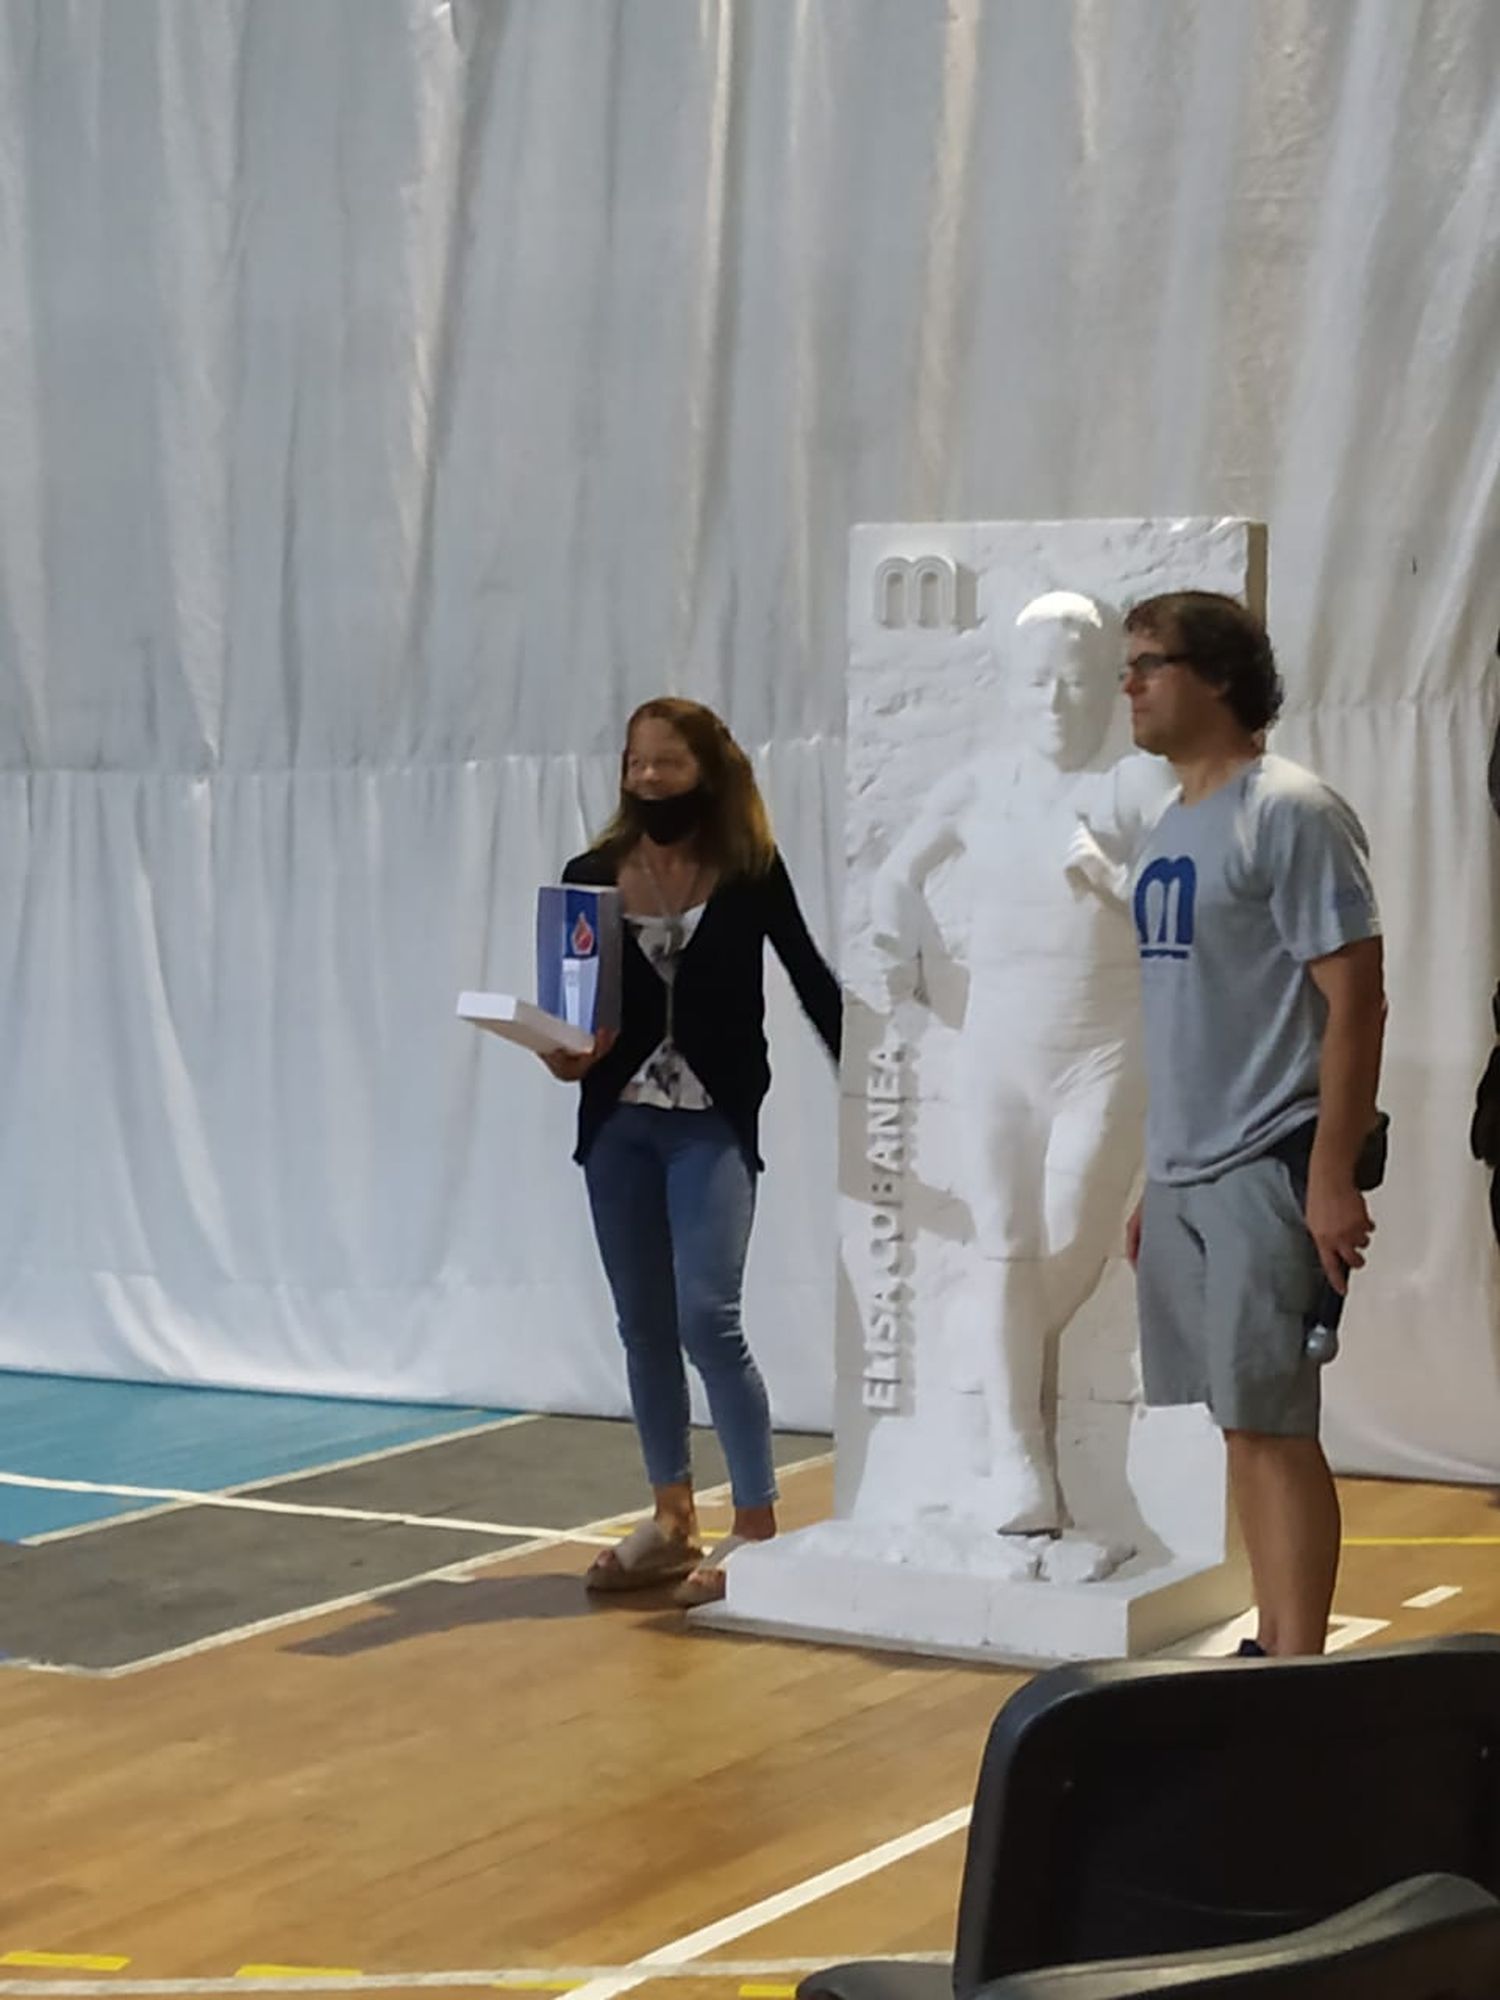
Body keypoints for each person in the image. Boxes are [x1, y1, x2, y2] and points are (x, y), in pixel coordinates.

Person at [868, 592, 1174, 1535]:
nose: (1055, 701)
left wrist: (1114, 880)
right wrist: (901, 936)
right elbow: (896, 871)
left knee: (1074, 1235)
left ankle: (987, 1353)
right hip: (998, 1047)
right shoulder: (979, 785)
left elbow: (1191, 919)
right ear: (1009, 689)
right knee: (1004, 1240)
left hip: (1102, 1051)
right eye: (1038, 681)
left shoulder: (1136, 790)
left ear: (1111, 691)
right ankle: (1017, 1459)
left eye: (1076, 682)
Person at [1122, 591, 1385, 1657]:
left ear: (1219, 677)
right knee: (1240, 1417)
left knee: (1276, 1419)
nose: (1129, 685)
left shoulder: (1292, 811)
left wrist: (1329, 1174)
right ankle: (1275, 1644)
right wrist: (1156, 1176)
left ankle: (1296, 1661)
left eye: (1150, 663)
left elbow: (1358, 996)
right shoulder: (1167, 826)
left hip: (1265, 1158)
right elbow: (1188, 1021)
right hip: (1187, 1168)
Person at [542, 697, 841, 1606]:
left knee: (708, 1316)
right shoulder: (589, 875)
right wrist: (563, 1049)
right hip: (618, 1124)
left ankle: (755, 1522)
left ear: (708, 771)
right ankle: (672, 1517)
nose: (647, 779)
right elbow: (566, 1017)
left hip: (711, 1121)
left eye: (666, 764)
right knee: (643, 1325)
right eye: (635, 763)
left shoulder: (749, 870)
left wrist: (867, 1077)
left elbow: (809, 978)